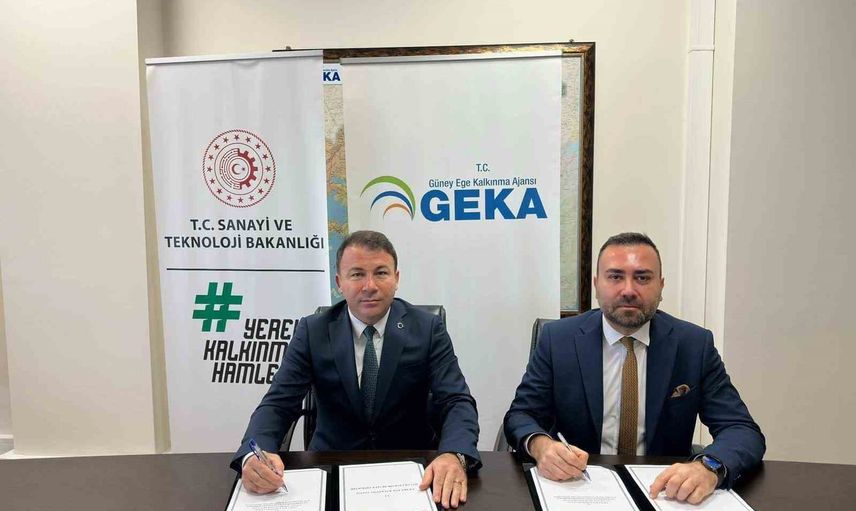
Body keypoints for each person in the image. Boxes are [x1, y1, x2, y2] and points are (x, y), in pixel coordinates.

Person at [504, 232, 764, 504]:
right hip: (577, 488)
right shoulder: (558, 340)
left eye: (642, 278)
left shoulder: (693, 345)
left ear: (661, 286)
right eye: (615, 276)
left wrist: (709, 467)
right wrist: (541, 445)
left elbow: (741, 429)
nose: (628, 290)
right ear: (596, 285)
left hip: (664, 493)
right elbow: (521, 414)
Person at [233, 230, 479, 509]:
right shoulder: (313, 331)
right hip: (331, 464)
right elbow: (278, 404)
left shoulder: (427, 328)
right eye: (357, 274)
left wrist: (454, 454)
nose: (369, 286)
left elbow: (456, 400)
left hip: (412, 469)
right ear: (340, 282)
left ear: (396, 278)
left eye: (381, 273)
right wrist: (254, 455)